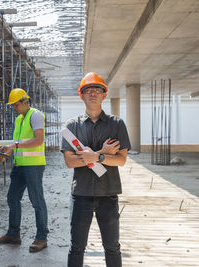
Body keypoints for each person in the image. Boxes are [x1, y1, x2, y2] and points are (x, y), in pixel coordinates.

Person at [61, 72, 131, 267]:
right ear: (81, 95)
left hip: (108, 194)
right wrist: (102, 152)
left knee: (112, 247)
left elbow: (121, 160)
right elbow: (69, 162)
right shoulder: (71, 127)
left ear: (104, 94)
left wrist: (98, 157)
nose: (92, 93)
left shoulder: (116, 124)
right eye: (88, 90)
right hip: (81, 194)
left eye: (97, 90)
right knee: (77, 247)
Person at [0, 88, 49, 253]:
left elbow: (38, 140)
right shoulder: (19, 119)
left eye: (16, 104)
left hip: (33, 166)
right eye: (12, 105)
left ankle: (41, 238)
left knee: (37, 201)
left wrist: (15, 145)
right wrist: (6, 153)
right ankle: (13, 234)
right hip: (19, 165)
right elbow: (16, 142)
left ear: (26, 101)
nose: (14, 108)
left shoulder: (36, 115)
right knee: (12, 197)